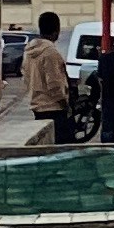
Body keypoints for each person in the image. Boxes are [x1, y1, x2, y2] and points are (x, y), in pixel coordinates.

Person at [24, 9, 75, 140]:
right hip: (54, 108)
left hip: (37, 107)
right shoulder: (51, 52)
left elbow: (26, 76)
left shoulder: (29, 51)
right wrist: (65, 104)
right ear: (56, 31)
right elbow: (54, 84)